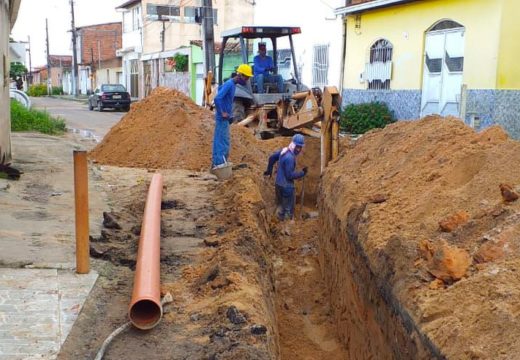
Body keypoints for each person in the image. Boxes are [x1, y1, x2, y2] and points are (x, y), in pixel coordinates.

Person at [212, 63, 253, 169]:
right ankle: (219, 164)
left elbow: (221, 92)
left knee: (223, 141)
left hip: (225, 118)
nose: (247, 80)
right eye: (247, 77)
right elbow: (217, 98)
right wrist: (222, 112)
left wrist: (228, 114)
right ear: (241, 76)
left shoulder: (232, 85)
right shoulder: (230, 84)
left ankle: (220, 163)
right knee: (222, 141)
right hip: (222, 118)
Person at [264, 134, 308, 221]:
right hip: (287, 187)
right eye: (297, 147)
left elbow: (272, 158)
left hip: (278, 184)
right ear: (294, 144)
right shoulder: (290, 158)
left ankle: (278, 222)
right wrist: (302, 173)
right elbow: (289, 175)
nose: (298, 149)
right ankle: (286, 227)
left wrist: (269, 170)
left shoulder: (284, 151)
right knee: (288, 209)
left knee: (280, 206)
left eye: (300, 147)